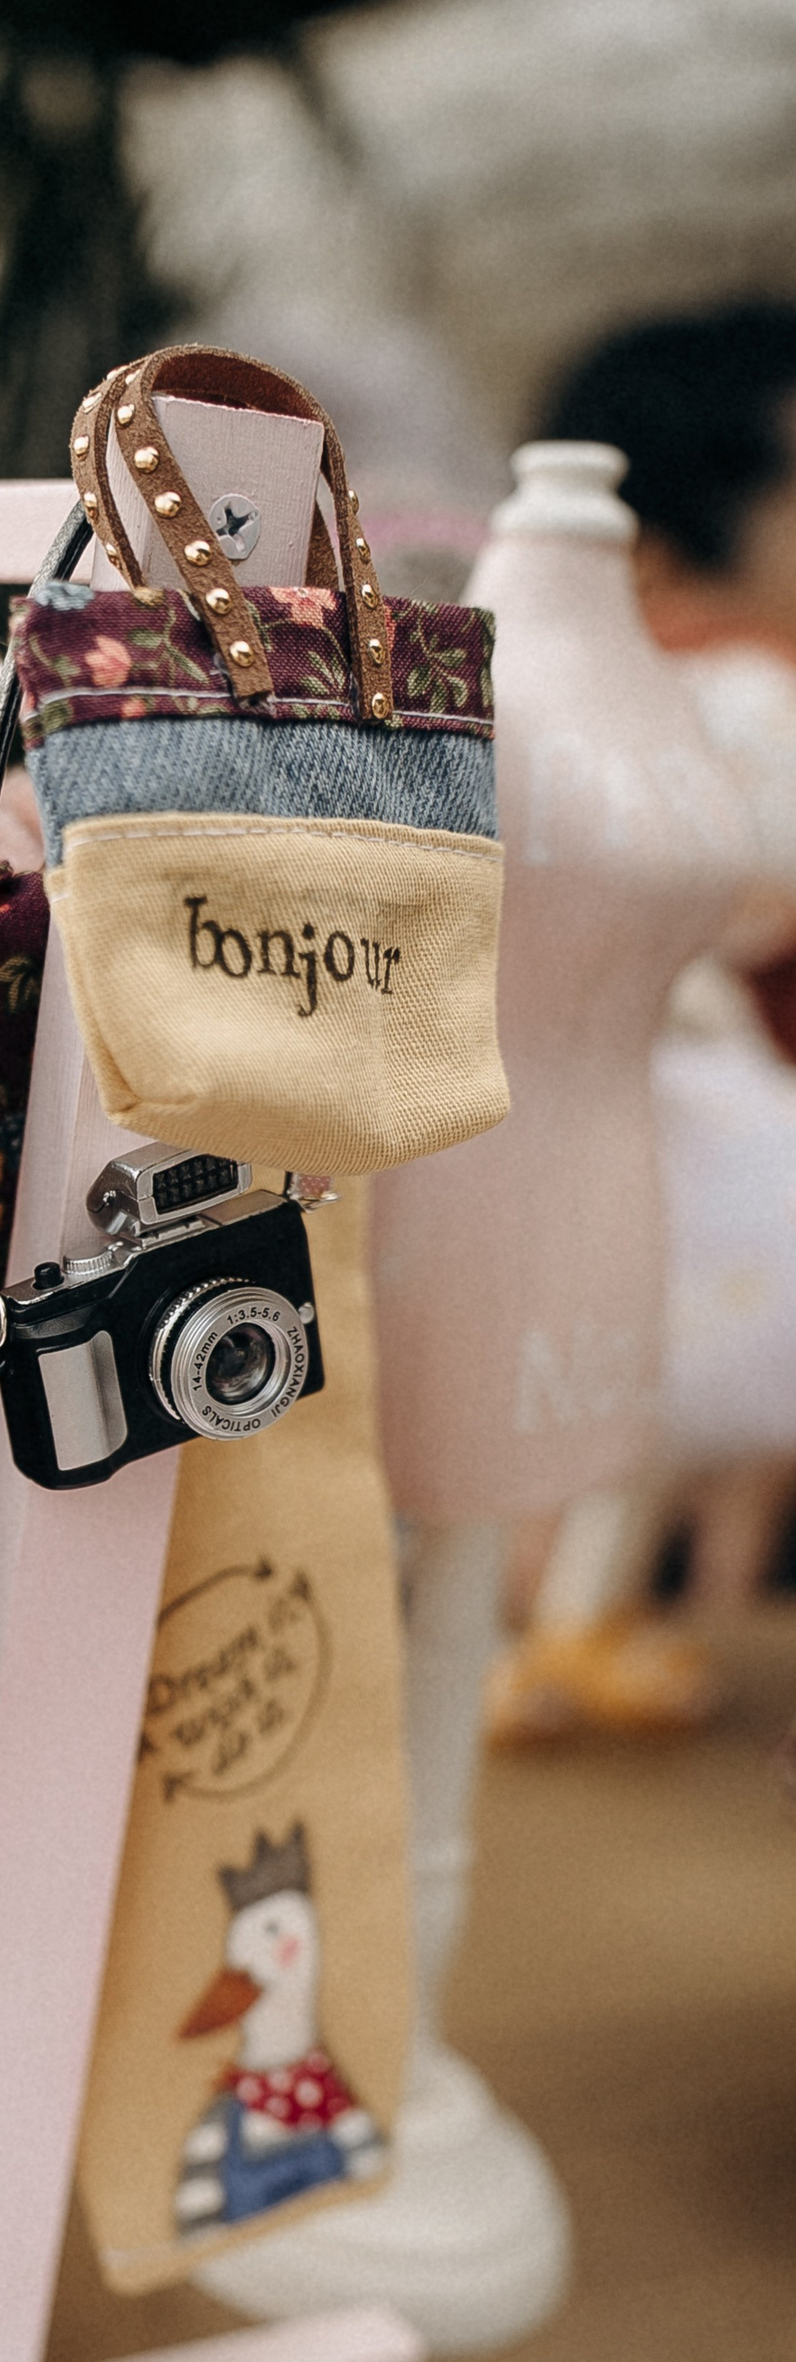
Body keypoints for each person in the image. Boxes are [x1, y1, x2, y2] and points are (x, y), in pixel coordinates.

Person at [485, 303, 796, 1747]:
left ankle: (555, 1631)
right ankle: (562, 1626)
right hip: (674, 1111)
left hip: (567, 1098)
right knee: (631, 1380)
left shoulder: (518, 697)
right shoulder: (744, 696)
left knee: (572, 1391)